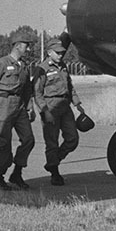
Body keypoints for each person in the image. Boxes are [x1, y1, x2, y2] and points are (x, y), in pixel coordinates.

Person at [0, 32, 36, 190]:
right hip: (3, 105)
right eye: (26, 46)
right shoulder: (1, 63)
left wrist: (30, 107)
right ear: (18, 46)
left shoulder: (24, 66)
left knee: (29, 139)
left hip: (19, 106)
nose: (28, 49)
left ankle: (17, 173)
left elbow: (27, 88)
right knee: (3, 143)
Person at [34, 39, 84, 186]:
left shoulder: (63, 66)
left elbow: (70, 86)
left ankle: (53, 161)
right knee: (52, 142)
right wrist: (45, 111)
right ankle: (55, 173)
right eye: (58, 52)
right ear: (49, 52)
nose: (61, 55)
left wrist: (77, 103)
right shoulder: (42, 69)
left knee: (72, 139)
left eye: (62, 52)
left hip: (65, 105)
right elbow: (37, 93)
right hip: (50, 107)